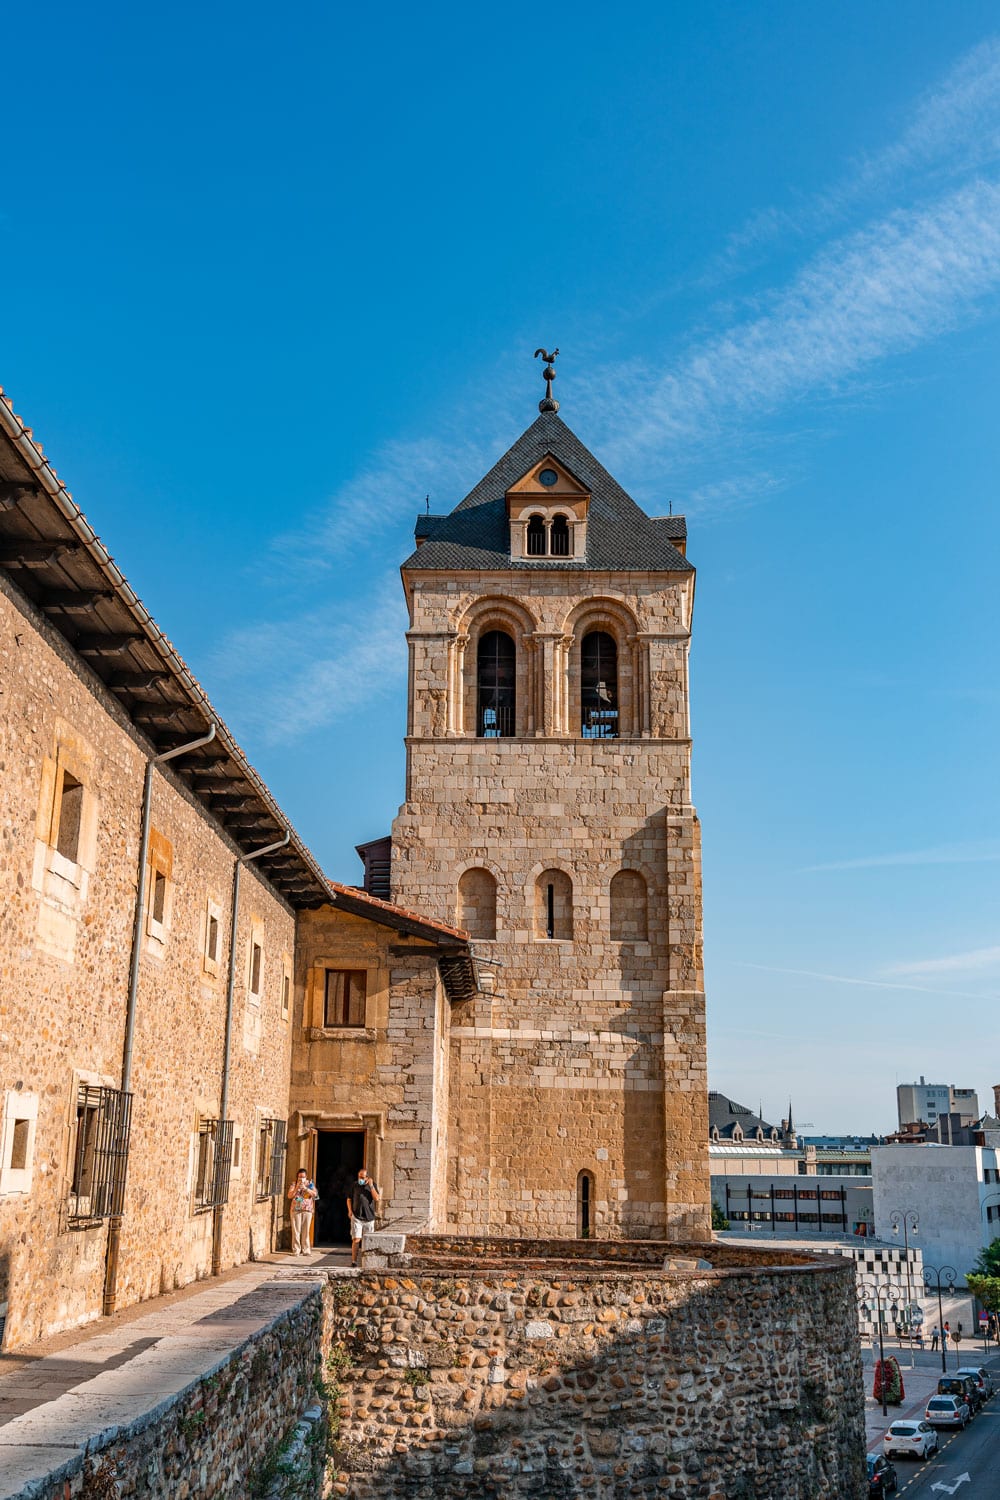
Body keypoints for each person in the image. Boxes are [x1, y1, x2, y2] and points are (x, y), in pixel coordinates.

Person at [347, 1166, 380, 1266]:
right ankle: (354, 1261)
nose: (360, 1179)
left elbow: (377, 1198)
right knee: (356, 1239)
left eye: (362, 1177)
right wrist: (350, 1211)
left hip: (369, 1218)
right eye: (359, 1177)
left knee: (368, 1240)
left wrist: (371, 1186)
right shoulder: (354, 1185)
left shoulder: (372, 1185)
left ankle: (367, 1261)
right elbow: (349, 1198)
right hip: (357, 1216)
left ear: (367, 1177)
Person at [287, 1169, 318, 1255]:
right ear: (297, 1176)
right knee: (296, 1231)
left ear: (306, 1177)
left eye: (303, 1177)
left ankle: (306, 1250)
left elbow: (315, 1195)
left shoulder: (310, 1184)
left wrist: (306, 1189)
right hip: (296, 1210)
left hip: (307, 1210)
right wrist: (297, 1187)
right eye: (300, 1177)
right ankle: (296, 1250)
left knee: (306, 1230)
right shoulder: (294, 1184)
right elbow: (289, 1195)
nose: (301, 1178)